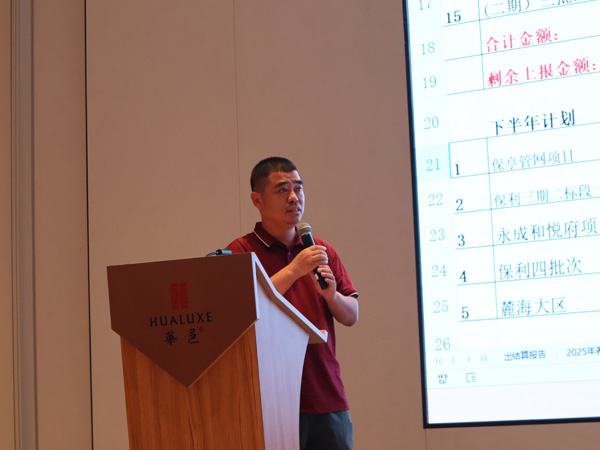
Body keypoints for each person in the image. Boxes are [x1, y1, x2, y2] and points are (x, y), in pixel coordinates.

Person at [226, 157, 359, 450]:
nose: (294, 198)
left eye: (298, 188)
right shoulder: (241, 251)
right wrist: (294, 270)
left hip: (326, 394)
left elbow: (352, 315)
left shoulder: (321, 250)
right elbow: (240, 310)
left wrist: (332, 296)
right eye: (282, 190)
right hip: (269, 399)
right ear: (257, 200)